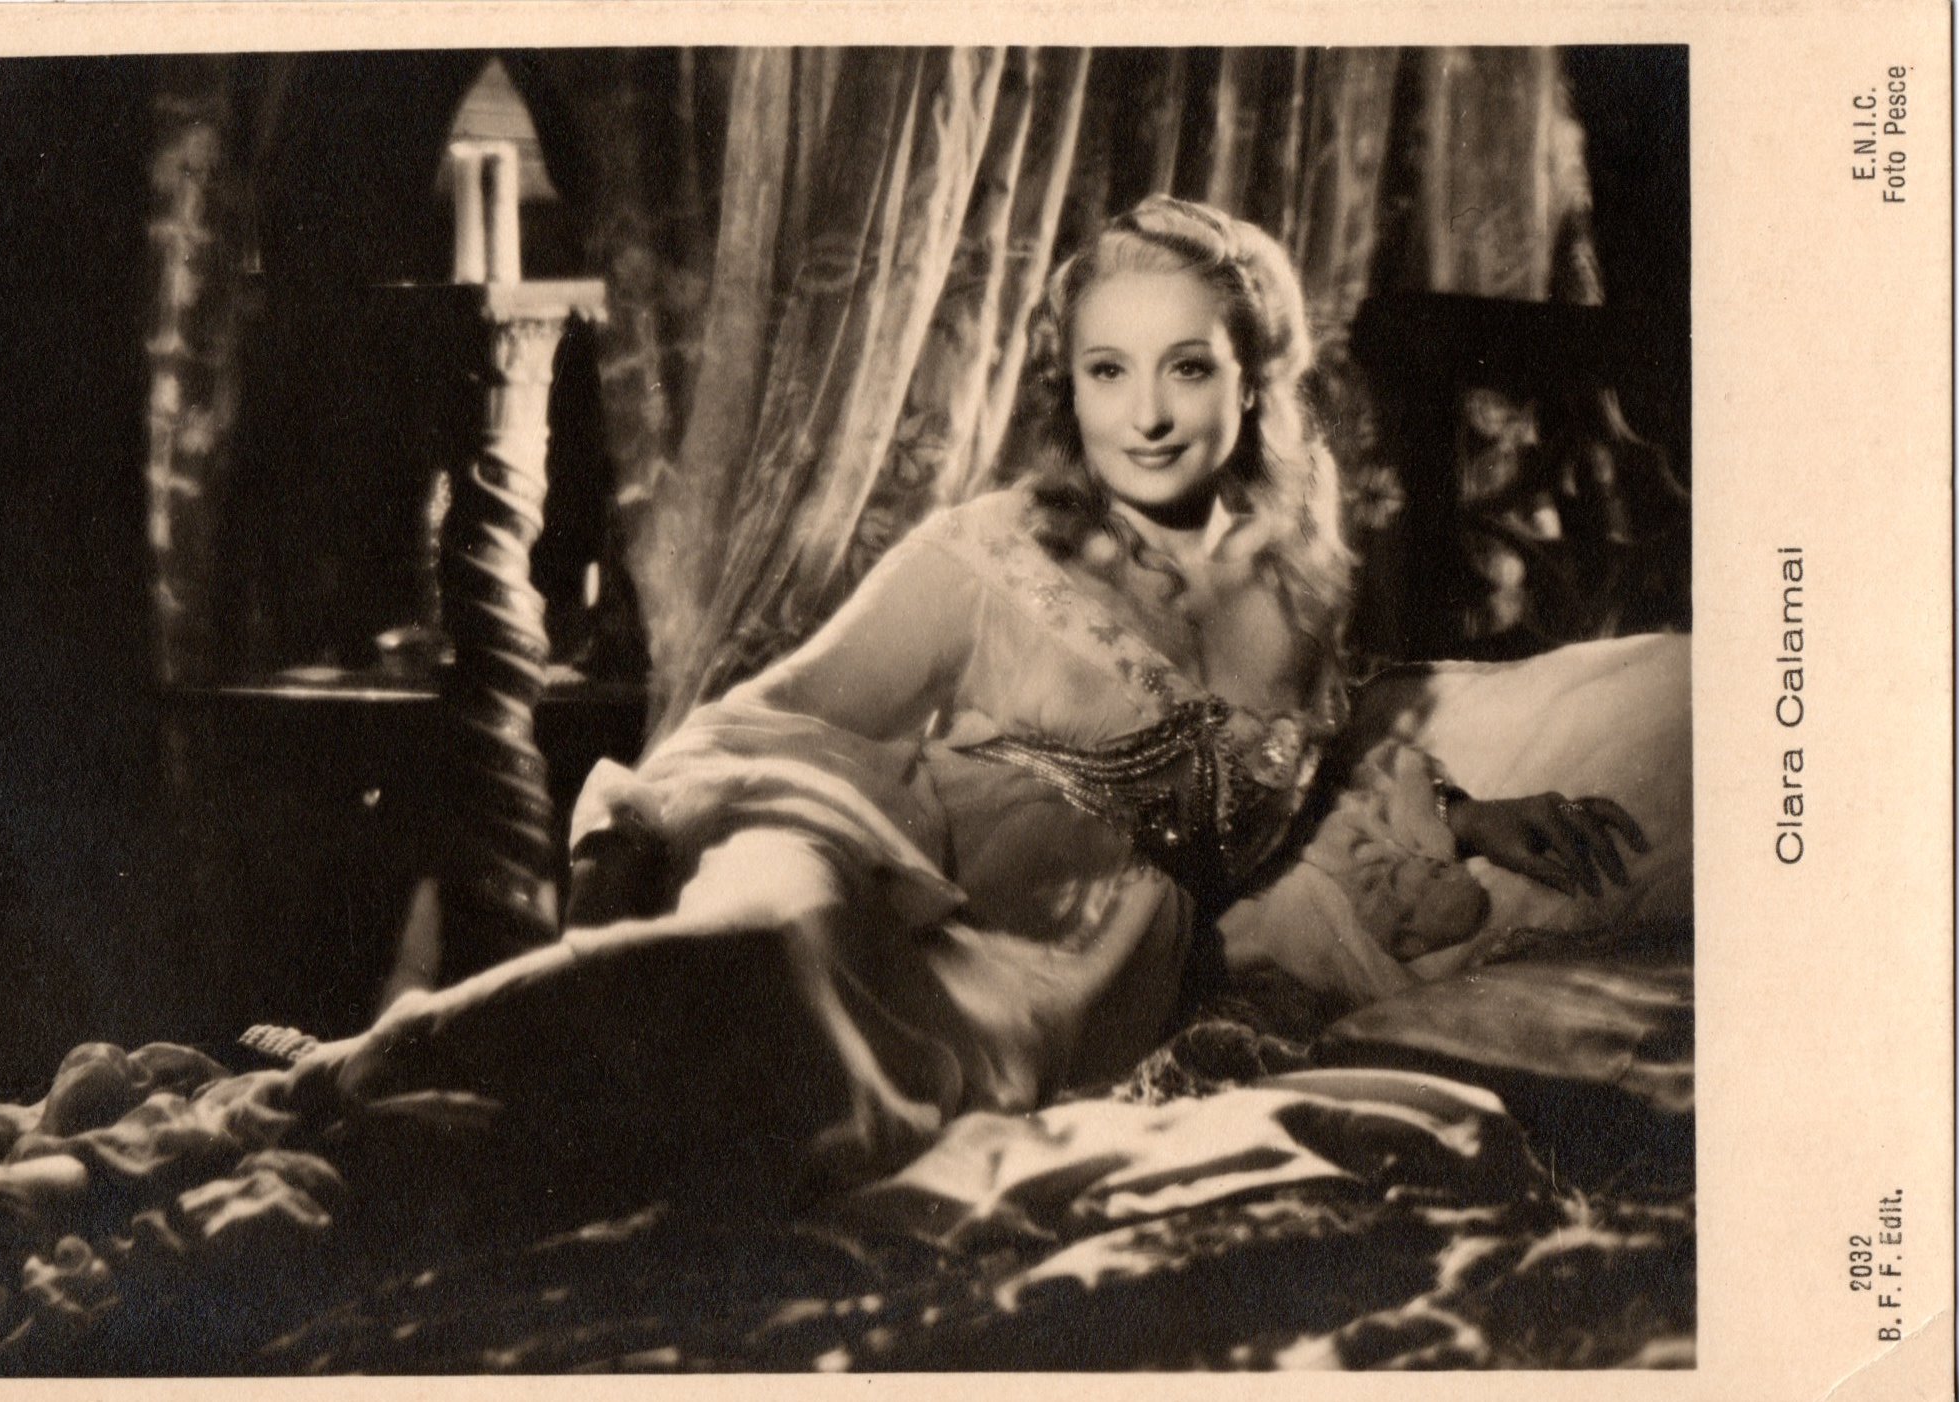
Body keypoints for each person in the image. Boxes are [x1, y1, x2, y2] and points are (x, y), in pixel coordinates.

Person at [274, 195, 1649, 1223]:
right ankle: (335, 1081)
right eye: (1107, 371)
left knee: (822, 1115)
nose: (1145, 415)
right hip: (859, 843)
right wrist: (639, 836)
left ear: (1256, 378)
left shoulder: (1299, 580)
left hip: (1060, 970)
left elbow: (1320, 741)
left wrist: (1465, 809)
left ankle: (437, 1146)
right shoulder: (988, 551)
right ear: (1069, 383)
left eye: (1187, 367)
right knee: (765, 956)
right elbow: (773, 717)